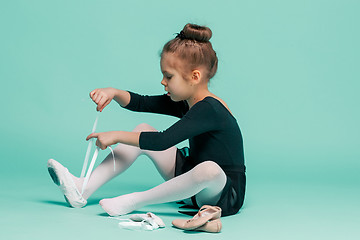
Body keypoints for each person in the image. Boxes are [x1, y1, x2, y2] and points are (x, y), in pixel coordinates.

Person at [47, 23, 246, 217]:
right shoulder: (188, 101)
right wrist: (114, 93)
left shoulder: (210, 109)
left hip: (222, 193)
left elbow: (163, 141)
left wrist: (116, 135)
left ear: (194, 77)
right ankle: (82, 189)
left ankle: (133, 200)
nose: (163, 82)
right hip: (191, 182)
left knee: (209, 169)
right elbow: (142, 103)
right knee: (143, 128)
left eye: (168, 76)